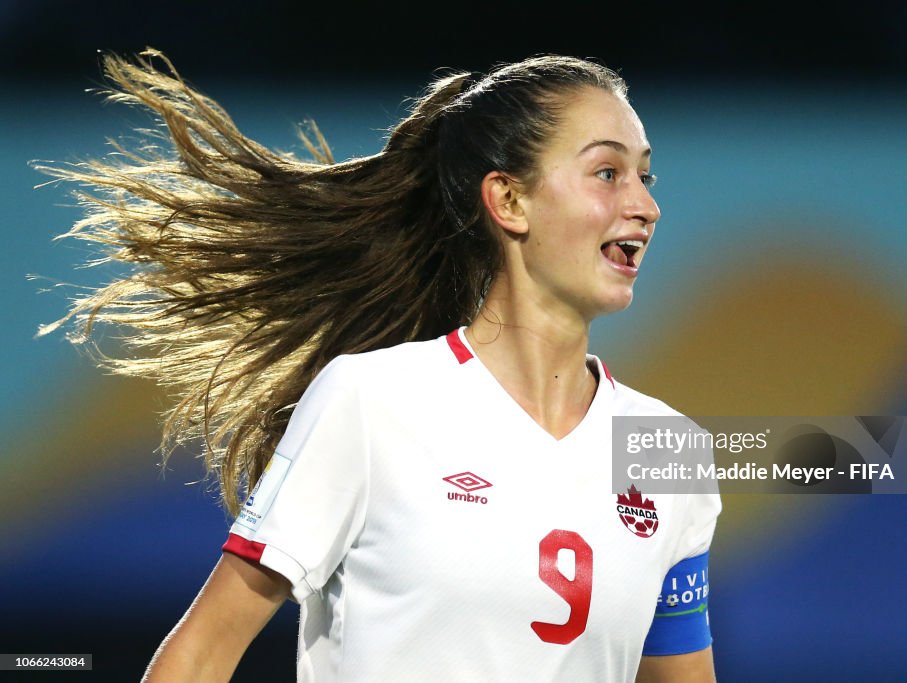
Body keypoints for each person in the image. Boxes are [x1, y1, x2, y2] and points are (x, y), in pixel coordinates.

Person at [40, 49, 721, 682]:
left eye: (645, 175)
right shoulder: (372, 400)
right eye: (608, 173)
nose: (645, 204)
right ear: (509, 200)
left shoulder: (668, 450)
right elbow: (202, 651)